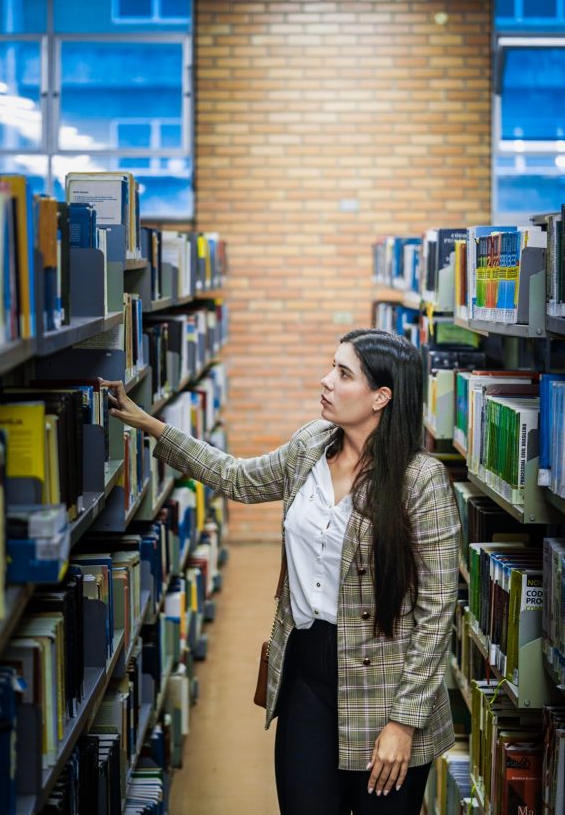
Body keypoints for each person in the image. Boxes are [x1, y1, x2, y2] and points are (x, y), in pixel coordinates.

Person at [101, 328, 460, 815]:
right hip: (305, 676)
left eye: (343, 372)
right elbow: (238, 478)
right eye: (331, 366)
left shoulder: (421, 482)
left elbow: (436, 611)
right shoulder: (312, 443)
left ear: (381, 396)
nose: (325, 380)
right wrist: (154, 428)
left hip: (386, 690)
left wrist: (403, 721)